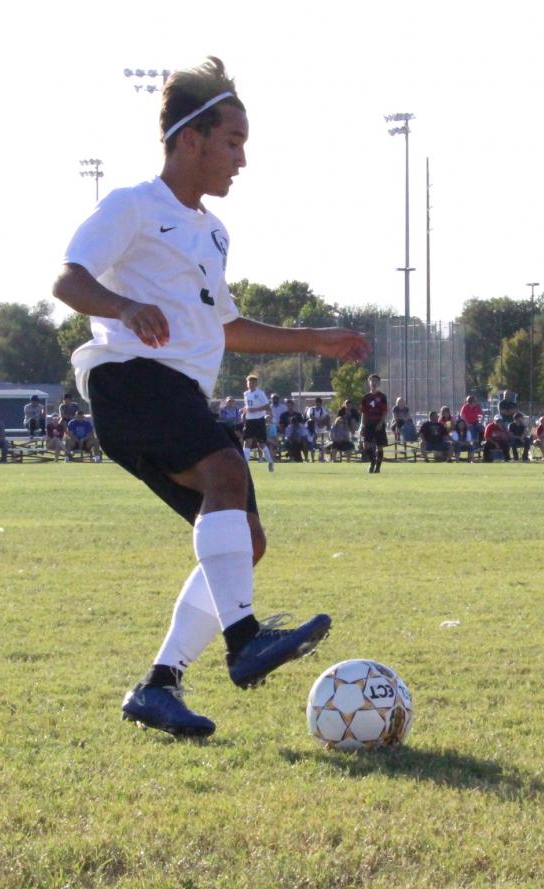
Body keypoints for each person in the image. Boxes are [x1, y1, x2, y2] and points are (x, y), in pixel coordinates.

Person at [51, 56, 369, 738]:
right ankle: (245, 639)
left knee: (243, 541)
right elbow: (68, 280)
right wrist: (124, 306)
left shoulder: (213, 233)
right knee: (227, 474)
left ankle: (158, 686)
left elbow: (224, 326)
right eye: (233, 141)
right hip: (128, 377)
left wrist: (313, 339)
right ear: (190, 139)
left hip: (173, 395)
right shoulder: (133, 205)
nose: (242, 160)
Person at [241, 373, 273, 470]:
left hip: (259, 420)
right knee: (247, 442)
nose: (251, 384)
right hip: (249, 421)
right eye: (249, 382)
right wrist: (244, 411)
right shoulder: (246, 394)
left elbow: (267, 406)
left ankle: (270, 462)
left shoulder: (260, 393)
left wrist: (256, 409)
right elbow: (247, 406)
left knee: (261, 443)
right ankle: (245, 465)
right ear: (247, 383)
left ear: (256, 384)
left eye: (253, 383)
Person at [360, 373, 389, 473]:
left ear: (379, 383)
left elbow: (385, 411)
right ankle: (373, 462)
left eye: (376, 381)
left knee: (379, 446)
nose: (374, 383)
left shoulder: (382, 397)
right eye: (372, 381)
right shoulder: (365, 397)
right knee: (366, 445)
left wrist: (381, 423)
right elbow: (364, 412)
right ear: (369, 383)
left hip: (378, 423)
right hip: (368, 424)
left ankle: (378, 467)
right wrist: (362, 425)